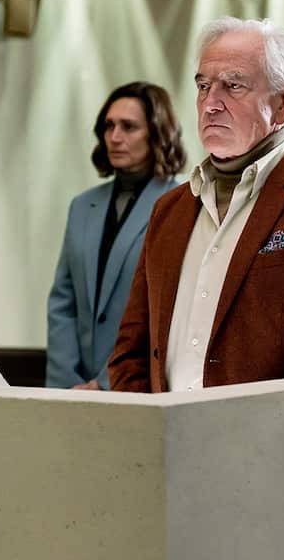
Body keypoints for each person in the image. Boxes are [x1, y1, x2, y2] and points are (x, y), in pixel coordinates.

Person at [108, 16, 284, 393]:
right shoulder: (169, 209)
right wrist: (146, 432)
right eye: (203, 86)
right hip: (163, 443)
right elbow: (131, 351)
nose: (210, 104)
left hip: (265, 448)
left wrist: (244, 446)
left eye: (232, 86)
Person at [46, 82, 186, 390]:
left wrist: (105, 383)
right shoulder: (82, 206)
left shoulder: (182, 205)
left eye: (129, 127)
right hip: (73, 390)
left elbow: (168, 313)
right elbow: (63, 301)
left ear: (157, 133)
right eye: (108, 126)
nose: (115, 137)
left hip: (139, 385)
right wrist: (66, 383)